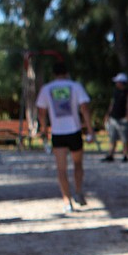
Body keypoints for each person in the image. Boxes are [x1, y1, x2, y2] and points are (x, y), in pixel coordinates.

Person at [36, 61, 94, 213]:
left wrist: (44, 130)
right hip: (74, 130)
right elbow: (85, 109)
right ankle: (79, 191)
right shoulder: (75, 86)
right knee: (78, 164)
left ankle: (66, 200)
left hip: (58, 132)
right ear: (66, 72)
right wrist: (90, 129)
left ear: (53, 73)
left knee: (61, 169)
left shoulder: (47, 89)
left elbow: (41, 112)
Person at [103, 72, 128, 162]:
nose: (116, 83)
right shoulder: (115, 92)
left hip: (123, 118)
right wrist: (108, 114)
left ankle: (125, 155)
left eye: (117, 82)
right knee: (112, 137)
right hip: (114, 118)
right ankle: (111, 154)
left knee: (124, 138)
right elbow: (112, 104)